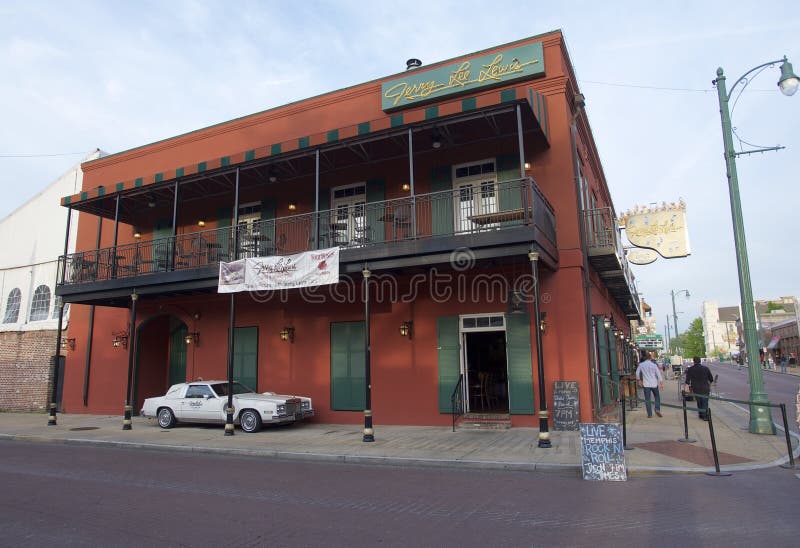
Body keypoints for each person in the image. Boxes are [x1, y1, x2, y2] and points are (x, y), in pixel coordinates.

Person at [685, 356, 714, 420]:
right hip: (705, 387)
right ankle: (705, 415)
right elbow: (711, 379)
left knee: (699, 401)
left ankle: (701, 414)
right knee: (705, 402)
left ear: (693, 361)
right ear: (700, 361)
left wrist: (686, 387)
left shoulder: (690, 369)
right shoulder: (706, 368)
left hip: (696, 388)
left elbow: (687, 379)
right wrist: (709, 383)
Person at [635, 351, 663, 418]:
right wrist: (661, 383)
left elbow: (637, 373)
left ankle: (649, 414)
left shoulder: (641, 365)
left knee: (647, 399)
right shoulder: (654, 365)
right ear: (650, 358)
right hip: (654, 383)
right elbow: (658, 374)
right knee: (657, 396)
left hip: (646, 384)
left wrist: (639, 380)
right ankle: (657, 409)